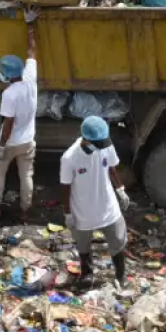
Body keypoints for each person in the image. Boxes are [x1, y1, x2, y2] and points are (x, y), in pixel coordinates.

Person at [60, 117, 132, 289]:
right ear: (86, 139)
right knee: (83, 245)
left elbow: (111, 167)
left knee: (118, 241)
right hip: (83, 211)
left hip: (108, 207)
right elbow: (65, 187)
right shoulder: (70, 158)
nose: (102, 146)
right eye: (98, 143)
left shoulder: (105, 145)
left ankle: (121, 276)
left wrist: (120, 189)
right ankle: (87, 274)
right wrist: (67, 213)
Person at [0, 10, 39, 221]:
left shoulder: (9, 94)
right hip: (28, 140)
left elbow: (8, 123)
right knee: (26, 176)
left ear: (6, 75)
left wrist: (1, 145)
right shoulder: (30, 78)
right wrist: (30, 24)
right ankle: (25, 211)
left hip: (10, 142)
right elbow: (32, 51)